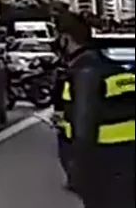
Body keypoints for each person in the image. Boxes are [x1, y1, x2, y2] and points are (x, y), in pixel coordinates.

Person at [57, 13, 135, 207]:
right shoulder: (107, 68)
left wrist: (77, 174)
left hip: (105, 165)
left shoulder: (85, 73)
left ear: (66, 39)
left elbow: (84, 130)